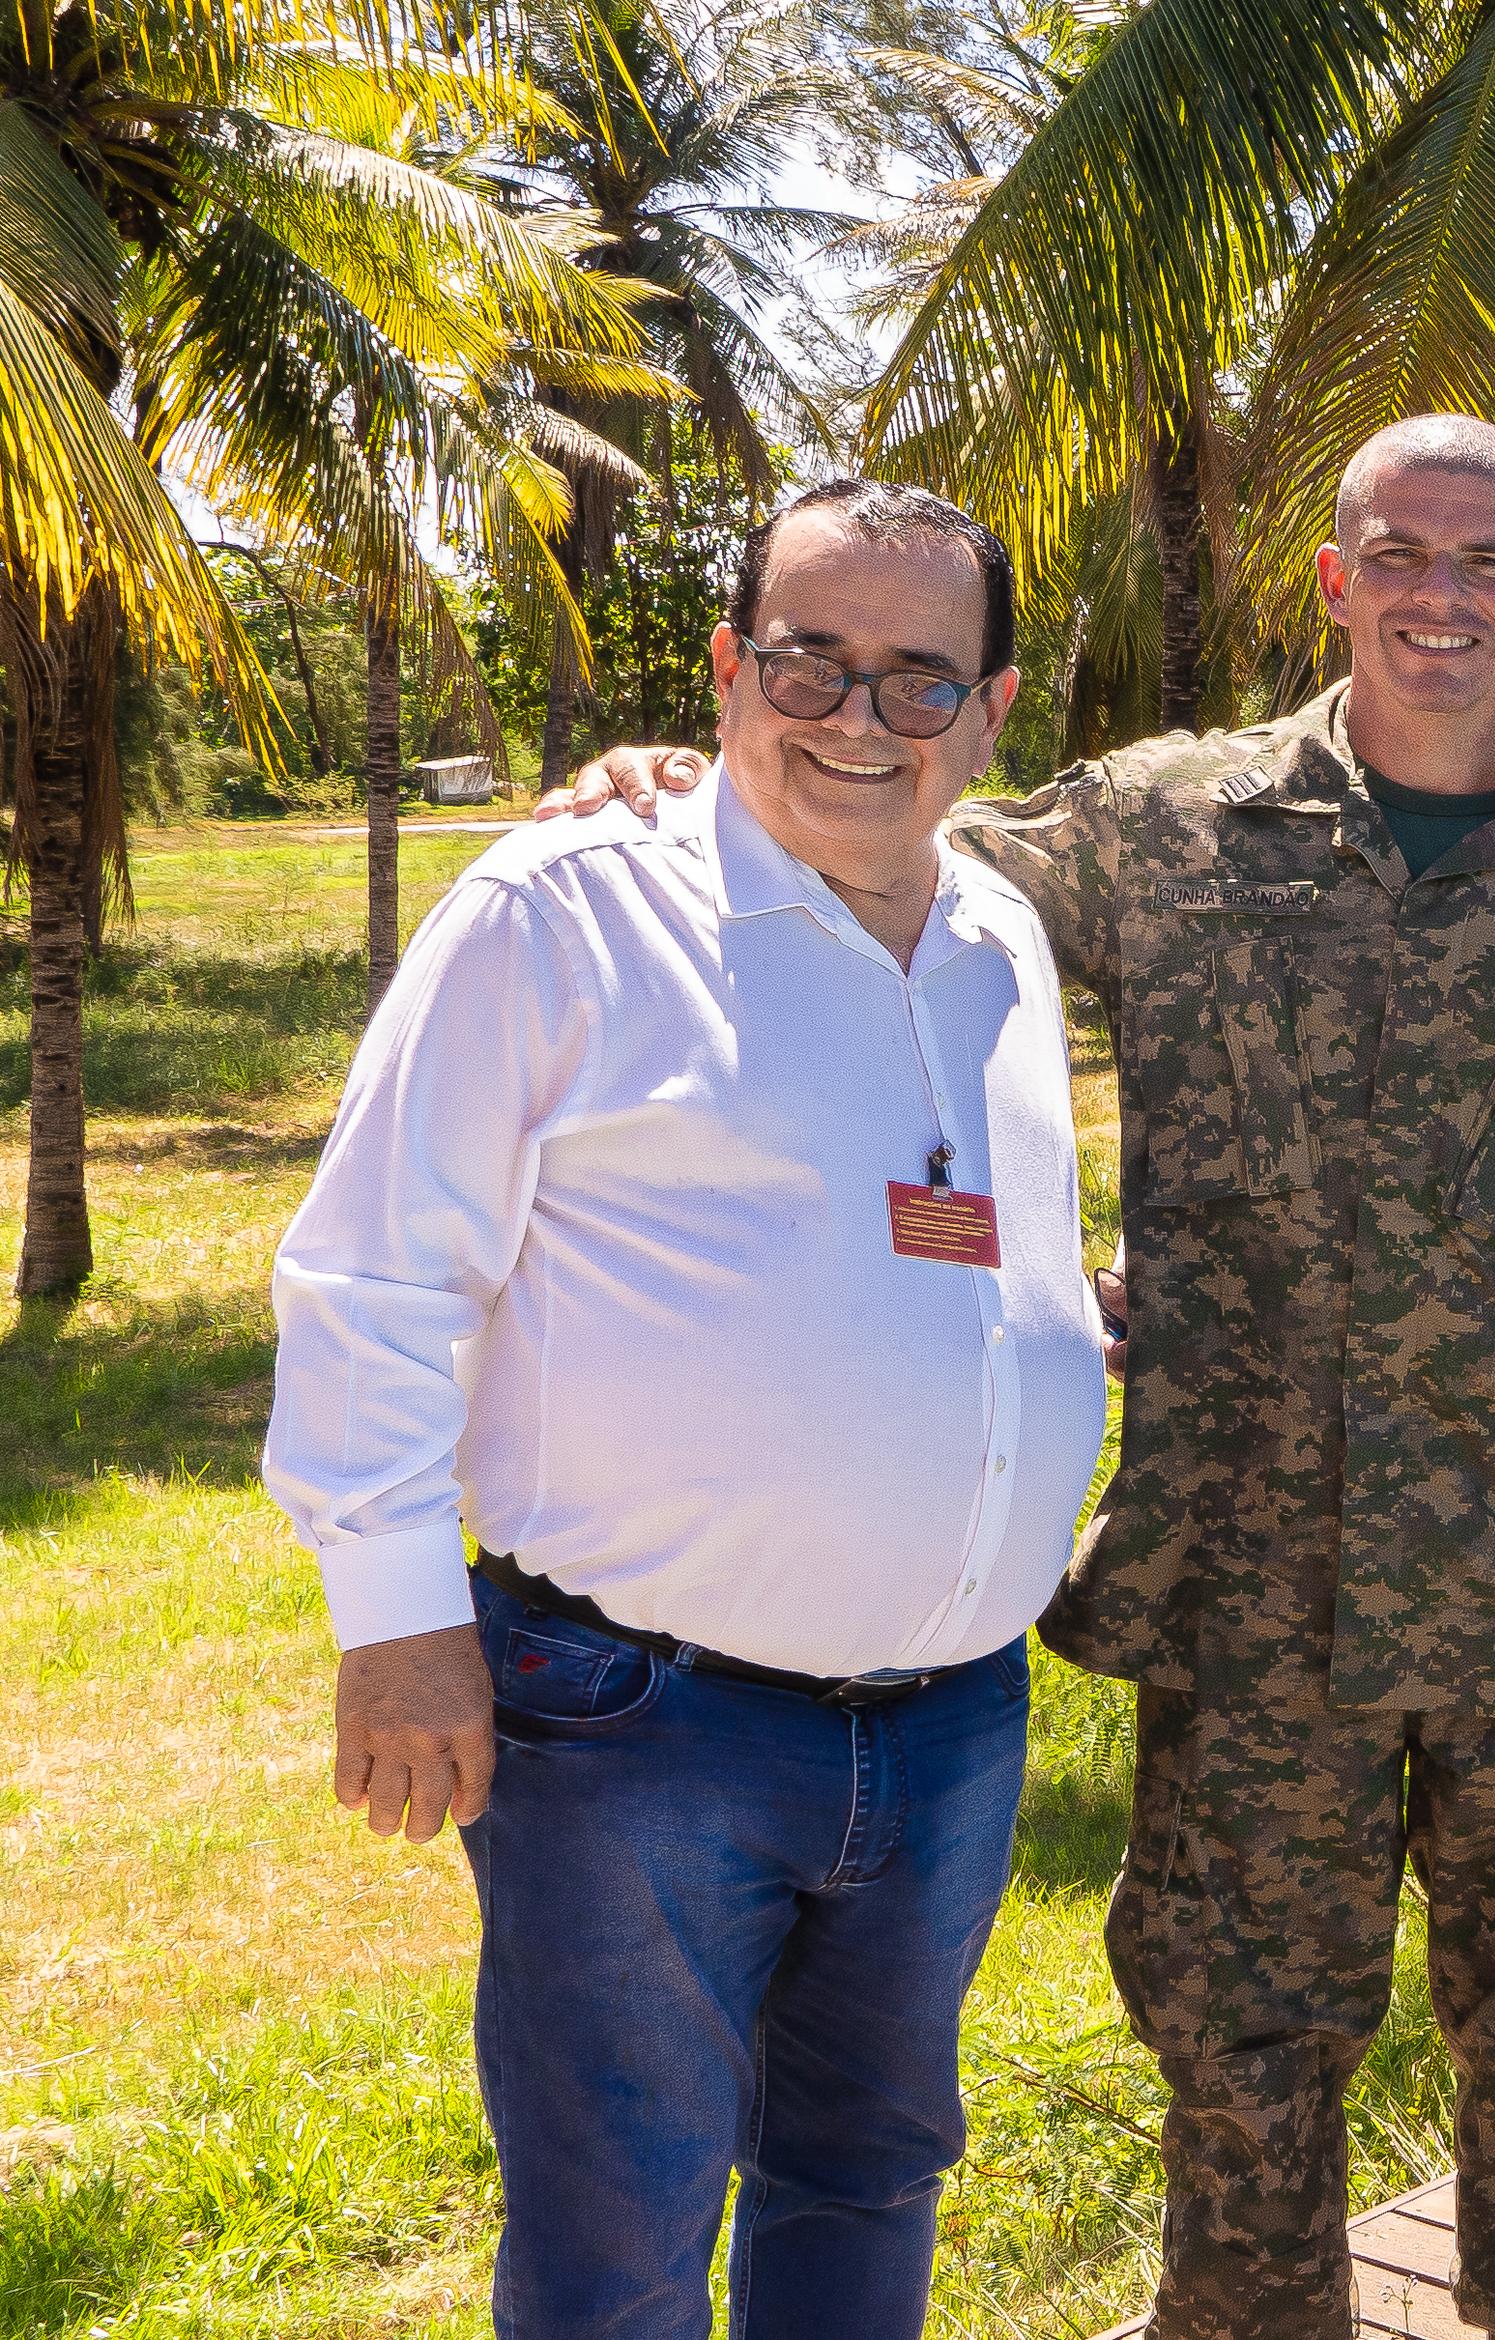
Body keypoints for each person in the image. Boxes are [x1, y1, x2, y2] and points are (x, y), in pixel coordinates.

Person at [555, 415, 1495, 2340]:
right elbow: (875, 832)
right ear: (1335, 579)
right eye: (1399, 554)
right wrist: (683, 779)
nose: (1442, 596)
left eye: (1489, 564)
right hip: (1252, 1596)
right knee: (1241, 2066)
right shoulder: (1168, 825)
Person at [264, 480, 1109, 2338]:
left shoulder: (998, 935)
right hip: (642, 1725)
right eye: (809, 662)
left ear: (990, 711)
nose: (857, 718)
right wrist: (393, 1621)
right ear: (729, 669)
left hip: (955, 1719)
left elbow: (936, 1224)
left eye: (918, 678)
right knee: (620, 2245)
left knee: (868, 2175)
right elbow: (377, 1275)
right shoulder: (562, 911)